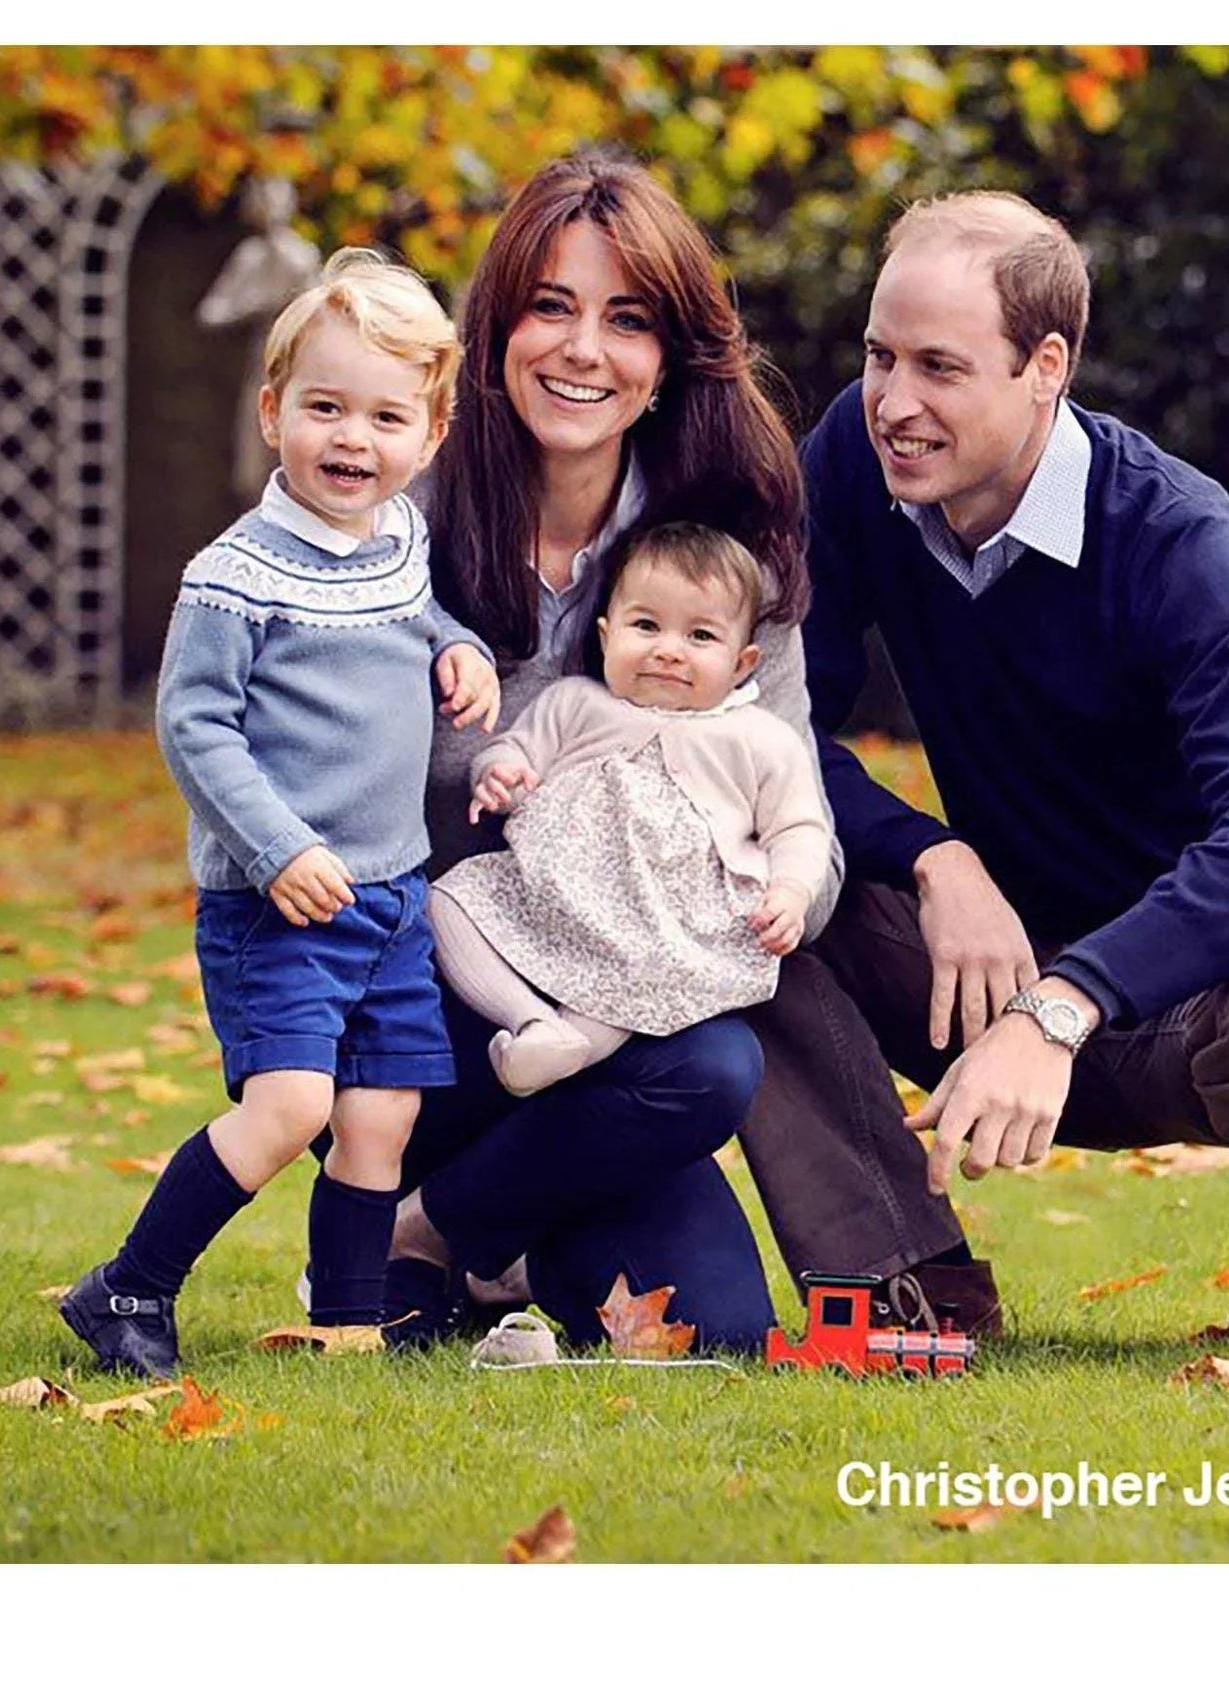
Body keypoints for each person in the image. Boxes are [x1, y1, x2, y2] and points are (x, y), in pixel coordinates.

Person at [742, 190, 1229, 1345]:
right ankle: (907, 1281)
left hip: (1196, 1002)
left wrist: (1064, 1003)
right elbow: (764, 726)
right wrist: (932, 856)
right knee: (734, 873)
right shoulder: (855, 455)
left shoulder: (1176, 538)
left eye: (939, 368)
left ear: (1043, 366)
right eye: (879, 356)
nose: (893, 402)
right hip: (984, 962)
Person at [347, 149, 896, 1355]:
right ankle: (429, 1207)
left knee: (720, 1302)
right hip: (429, 1005)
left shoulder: (726, 551)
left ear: (668, 356)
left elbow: (792, 810)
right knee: (657, 1073)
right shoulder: (399, 519)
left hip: (627, 1037)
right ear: (496, 327)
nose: (583, 350)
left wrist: (739, 900)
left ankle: (436, 1230)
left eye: (627, 319)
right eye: (551, 306)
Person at [61, 249, 501, 1377]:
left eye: (386, 417)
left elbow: (418, 618)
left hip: (392, 895)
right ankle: (127, 1287)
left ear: (430, 435)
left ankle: (346, 1322)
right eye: (325, 408)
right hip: (281, 902)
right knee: (292, 1104)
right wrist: (277, 848)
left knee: (380, 1118)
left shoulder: (399, 541)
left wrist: (457, 647)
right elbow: (193, 725)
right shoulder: (234, 574)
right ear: (273, 414)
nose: (353, 439)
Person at [428, 520, 830, 1096]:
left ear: (742, 663)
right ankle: (533, 1023)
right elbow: (516, 752)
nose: (668, 650)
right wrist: (500, 775)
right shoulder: (575, 703)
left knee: (643, 974)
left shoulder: (759, 739)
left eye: (700, 636)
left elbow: (798, 827)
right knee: (447, 902)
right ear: (605, 634)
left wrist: (791, 891)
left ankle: (569, 1045)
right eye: (645, 626)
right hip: (549, 893)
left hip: (666, 921)